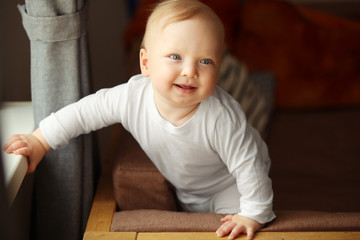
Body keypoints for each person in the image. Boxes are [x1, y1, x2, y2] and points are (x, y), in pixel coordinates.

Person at [3, 0, 275, 239]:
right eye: (176, 57)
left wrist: (253, 213)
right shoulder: (132, 97)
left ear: (219, 68)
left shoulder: (221, 117)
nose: (190, 71)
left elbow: (248, 165)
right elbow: (85, 112)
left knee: (232, 229)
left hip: (229, 183)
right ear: (146, 63)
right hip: (187, 187)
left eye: (206, 61)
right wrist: (40, 139)